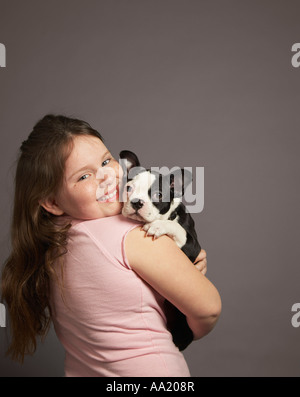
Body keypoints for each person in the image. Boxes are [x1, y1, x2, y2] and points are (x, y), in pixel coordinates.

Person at [1, 115, 221, 377]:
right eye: (84, 177)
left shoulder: (53, 241)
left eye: (106, 161)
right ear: (52, 202)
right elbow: (208, 309)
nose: (107, 178)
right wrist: (184, 323)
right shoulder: (132, 234)